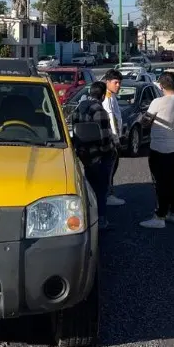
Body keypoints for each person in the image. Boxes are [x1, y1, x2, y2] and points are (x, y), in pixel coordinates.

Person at [66, 81, 118, 230]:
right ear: (103, 95)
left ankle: (89, 218)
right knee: (101, 189)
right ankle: (101, 220)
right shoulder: (99, 111)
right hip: (99, 156)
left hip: (85, 155)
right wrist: (112, 150)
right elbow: (105, 138)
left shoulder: (78, 109)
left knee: (89, 187)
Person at [138, 72, 174, 229]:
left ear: (161, 86)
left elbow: (145, 122)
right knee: (173, 180)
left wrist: (142, 118)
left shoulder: (158, 102)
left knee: (160, 182)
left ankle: (160, 216)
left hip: (159, 147)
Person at [101, 69, 126, 206]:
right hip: (111, 139)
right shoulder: (107, 97)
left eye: (119, 83)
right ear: (107, 82)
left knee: (112, 167)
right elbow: (111, 119)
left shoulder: (111, 96)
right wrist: (116, 139)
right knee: (110, 168)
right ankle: (108, 195)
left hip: (113, 138)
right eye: (115, 82)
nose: (118, 85)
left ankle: (108, 193)